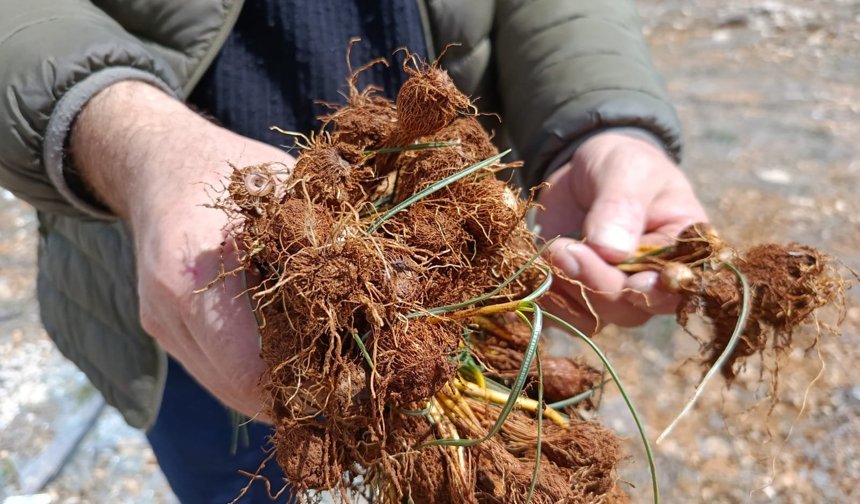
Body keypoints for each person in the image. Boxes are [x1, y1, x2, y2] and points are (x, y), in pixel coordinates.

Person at [0, 0, 707, 501]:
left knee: (486, 452)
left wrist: (600, 120)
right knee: (234, 477)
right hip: (177, 281)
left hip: (450, 288)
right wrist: (126, 136)